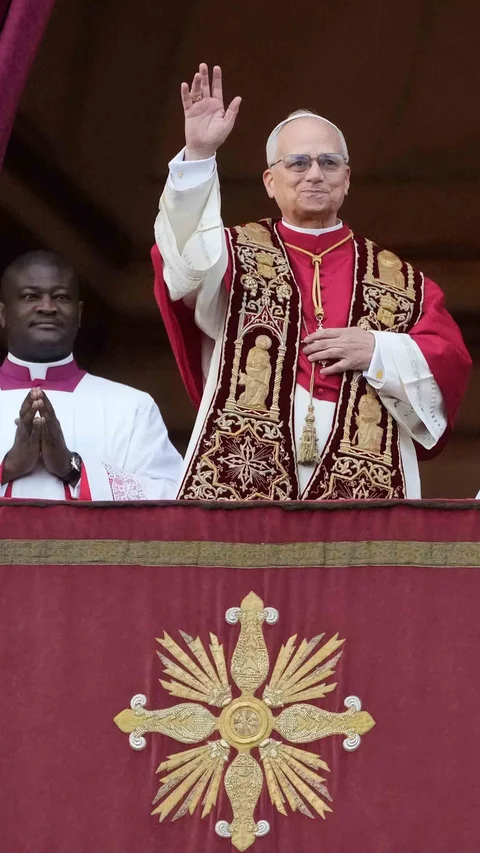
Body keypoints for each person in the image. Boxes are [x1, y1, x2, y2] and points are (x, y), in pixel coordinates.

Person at [152, 63, 471, 501]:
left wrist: (378, 350)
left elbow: (449, 360)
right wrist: (199, 155)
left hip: (365, 461)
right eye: (298, 163)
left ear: (347, 179)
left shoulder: (401, 280)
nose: (315, 174)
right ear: (270, 181)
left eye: (329, 162)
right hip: (245, 455)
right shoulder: (230, 252)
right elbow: (183, 259)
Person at [0, 251, 182, 500]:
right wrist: (8, 467)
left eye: (61, 296)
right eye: (31, 296)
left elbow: (172, 497)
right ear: (3, 314)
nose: (47, 307)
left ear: (79, 314)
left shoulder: (132, 407)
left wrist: (72, 468)